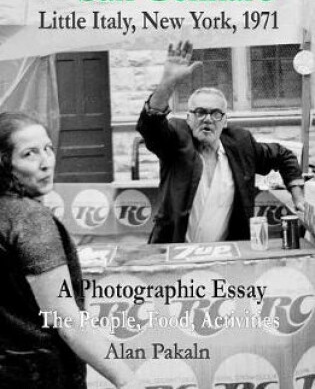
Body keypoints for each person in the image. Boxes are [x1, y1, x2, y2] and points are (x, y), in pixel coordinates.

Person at [0, 112, 144, 389]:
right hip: (40, 374)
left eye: (48, 149)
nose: (46, 163)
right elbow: (67, 321)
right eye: (29, 154)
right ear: (5, 163)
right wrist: (127, 380)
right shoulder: (29, 219)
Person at [137, 41, 305, 244]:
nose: (207, 119)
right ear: (189, 118)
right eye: (200, 112)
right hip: (174, 253)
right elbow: (151, 125)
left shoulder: (241, 144)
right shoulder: (177, 139)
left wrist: (298, 196)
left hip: (224, 257)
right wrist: (168, 83)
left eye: (215, 113)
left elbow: (282, 155)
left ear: (225, 121)